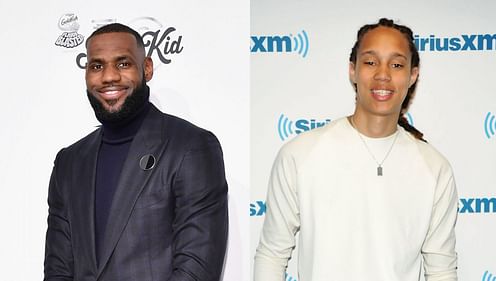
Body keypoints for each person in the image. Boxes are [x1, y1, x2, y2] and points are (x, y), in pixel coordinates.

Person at [254, 18, 458, 281]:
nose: (382, 74)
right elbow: (272, 254)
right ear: (352, 70)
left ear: (412, 75)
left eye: (396, 64)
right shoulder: (300, 154)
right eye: (370, 62)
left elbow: (441, 270)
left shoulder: (435, 169)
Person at [44, 23, 228, 281]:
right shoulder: (70, 162)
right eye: (97, 66)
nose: (109, 77)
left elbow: (197, 269)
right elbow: (57, 269)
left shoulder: (191, 147)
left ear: (147, 68)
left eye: (122, 64)